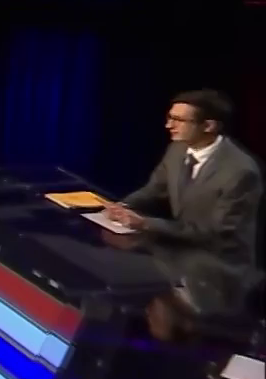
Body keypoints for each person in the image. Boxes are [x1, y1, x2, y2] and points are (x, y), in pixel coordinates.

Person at [105, 90, 261, 259]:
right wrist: (123, 207)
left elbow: (217, 232)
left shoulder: (241, 171)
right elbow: (154, 190)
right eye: (169, 118)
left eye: (178, 120)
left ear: (209, 126)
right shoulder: (177, 149)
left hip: (216, 262)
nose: (168, 125)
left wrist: (145, 223)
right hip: (179, 249)